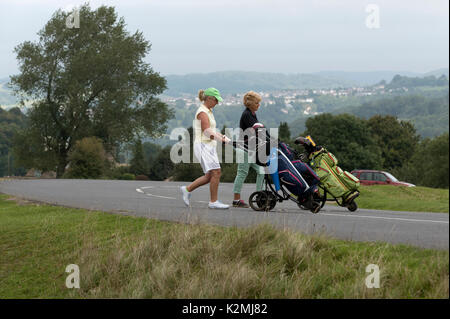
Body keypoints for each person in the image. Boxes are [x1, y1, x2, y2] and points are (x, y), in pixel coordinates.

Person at [180, 88, 231, 209]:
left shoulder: (209, 110)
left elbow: (211, 130)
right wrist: (221, 139)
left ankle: (187, 189)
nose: (217, 103)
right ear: (209, 98)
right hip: (203, 145)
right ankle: (213, 202)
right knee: (216, 172)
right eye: (216, 100)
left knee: (209, 175)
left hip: (208, 145)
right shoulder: (202, 112)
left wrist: (221, 136)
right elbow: (207, 132)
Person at [232, 91, 265, 208]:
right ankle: (236, 200)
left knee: (262, 171)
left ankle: (260, 196)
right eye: (257, 103)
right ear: (250, 103)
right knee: (242, 173)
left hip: (250, 150)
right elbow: (256, 129)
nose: (258, 105)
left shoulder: (252, 113)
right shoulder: (247, 115)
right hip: (243, 149)